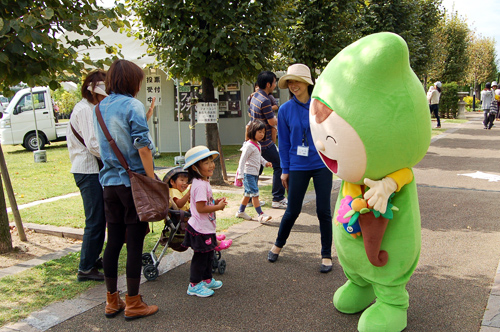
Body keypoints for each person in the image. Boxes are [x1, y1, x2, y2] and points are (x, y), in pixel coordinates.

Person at [94, 59, 158, 320]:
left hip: (109, 184)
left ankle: (112, 301)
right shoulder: (132, 104)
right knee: (134, 243)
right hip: (133, 185)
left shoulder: (100, 107)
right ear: (132, 81)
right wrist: (152, 181)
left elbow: (114, 138)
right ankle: (133, 302)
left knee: (113, 243)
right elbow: (142, 148)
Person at [267, 64, 334, 274]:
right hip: (297, 165)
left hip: (322, 164)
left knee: (323, 211)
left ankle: (325, 254)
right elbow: (284, 144)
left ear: (307, 82)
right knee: (292, 210)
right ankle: (278, 244)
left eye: (297, 81)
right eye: (290, 82)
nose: (294, 86)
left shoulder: (321, 105)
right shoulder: (285, 110)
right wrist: (285, 170)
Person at [67, 69, 108, 282]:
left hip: (93, 170)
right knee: (95, 219)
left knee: (100, 218)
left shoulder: (93, 107)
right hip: (87, 170)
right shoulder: (84, 110)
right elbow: (93, 144)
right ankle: (85, 268)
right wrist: (115, 158)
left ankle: (93, 258)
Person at [181, 146, 229, 298]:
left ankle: (207, 279)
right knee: (201, 257)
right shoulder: (200, 185)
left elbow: (203, 202)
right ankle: (194, 285)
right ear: (195, 167)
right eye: (206, 163)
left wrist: (215, 201)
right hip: (200, 229)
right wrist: (218, 207)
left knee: (208, 255)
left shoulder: (202, 181)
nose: (211, 165)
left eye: (211, 161)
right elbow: (201, 208)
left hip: (205, 227)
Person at [249, 71, 287, 209]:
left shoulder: (255, 97)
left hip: (256, 141)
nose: (275, 85)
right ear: (268, 84)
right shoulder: (265, 100)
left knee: (255, 170)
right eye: (274, 82)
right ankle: (278, 198)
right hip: (264, 142)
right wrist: (284, 121)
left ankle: (249, 198)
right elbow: (271, 121)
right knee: (280, 165)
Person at [235, 120, 273, 223]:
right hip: (248, 174)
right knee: (255, 193)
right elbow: (242, 160)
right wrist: (241, 174)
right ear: (253, 131)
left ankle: (240, 212)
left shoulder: (257, 145)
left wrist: (265, 163)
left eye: (263, 132)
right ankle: (260, 215)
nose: (262, 134)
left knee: (247, 194)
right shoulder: (249, 146)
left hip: (254, 174)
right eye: (259, 132)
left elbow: (259, 157)